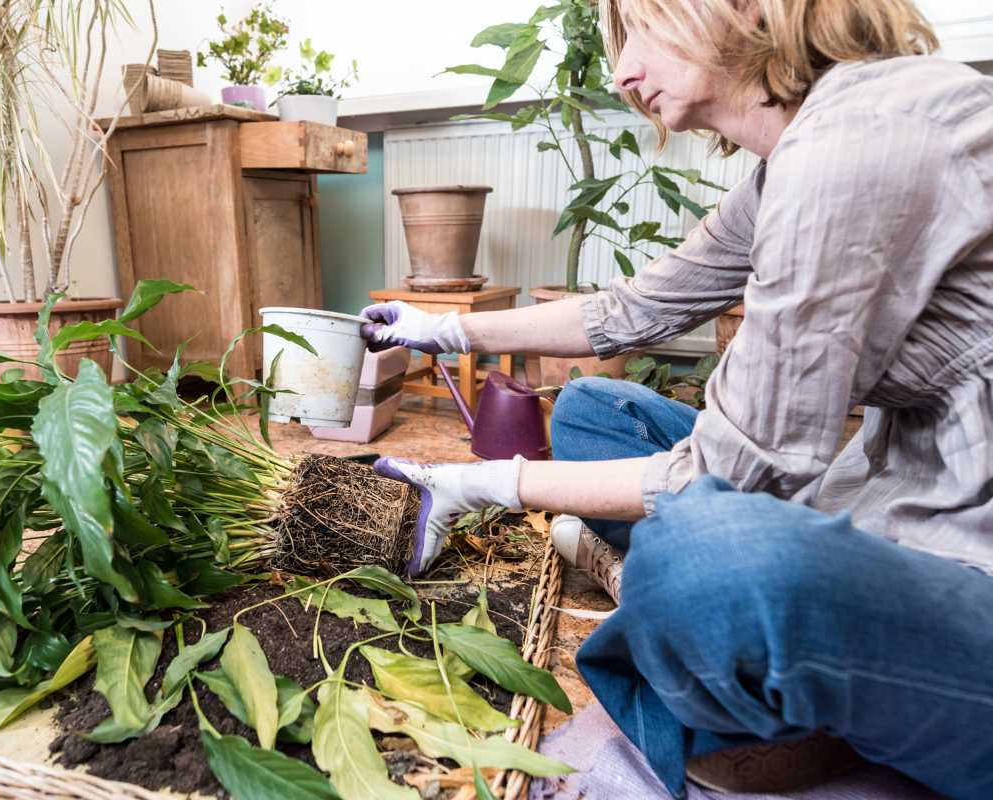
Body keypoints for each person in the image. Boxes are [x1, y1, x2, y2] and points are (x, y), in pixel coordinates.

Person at [359, 1, 993, 798]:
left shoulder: (855, 144)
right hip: (893, 506)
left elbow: (724, 474)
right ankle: (807, 692)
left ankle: (789, 698)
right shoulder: (800, 153)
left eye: (642, 28)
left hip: (970, 563)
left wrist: (481, 483)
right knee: (596, 412)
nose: (623, 73)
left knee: (694, 557)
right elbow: (636, 308)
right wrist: (443, 331)